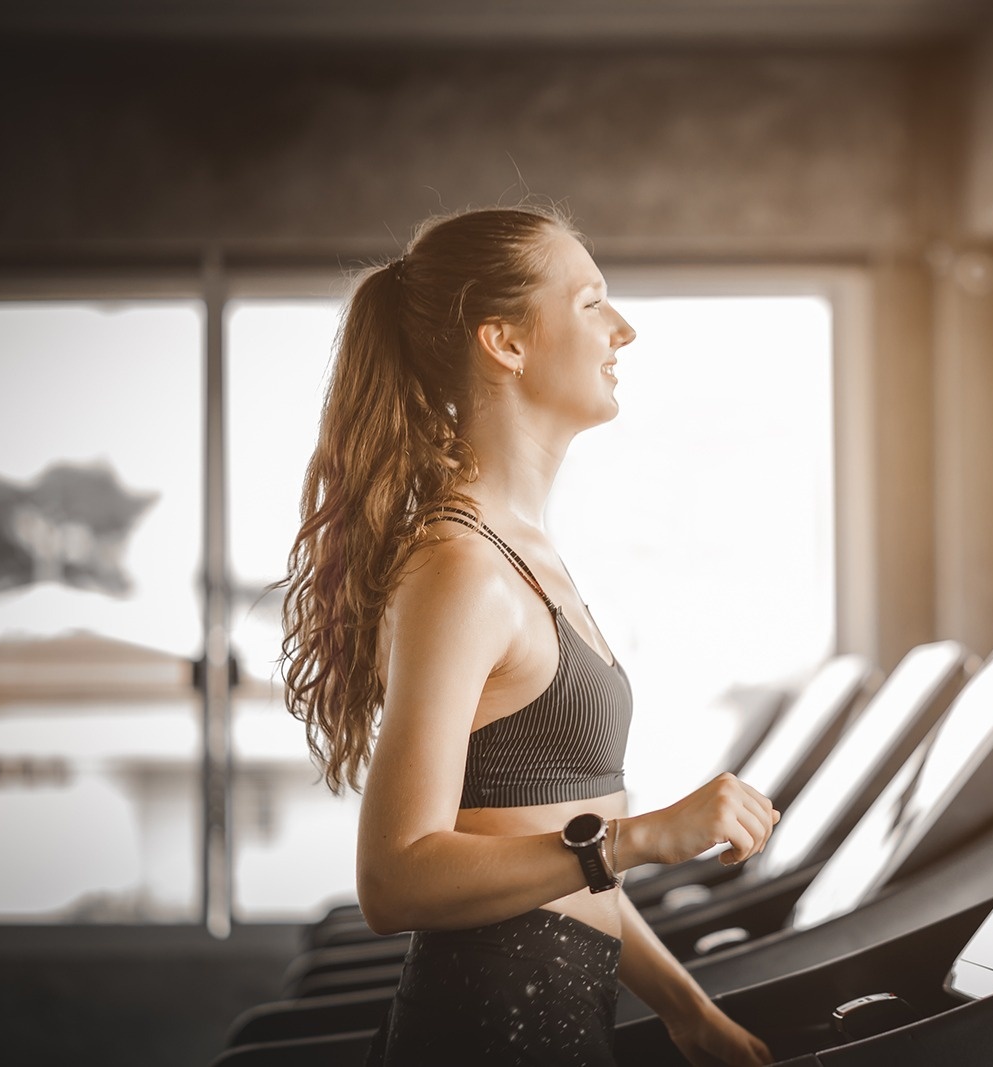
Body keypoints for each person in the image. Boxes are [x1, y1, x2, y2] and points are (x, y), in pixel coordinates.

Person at [280, 203, 779, 1066]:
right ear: (505, 342)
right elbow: (393, 877)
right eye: (591, 303)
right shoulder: (461, 566)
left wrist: (689, 1011)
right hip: (485, 1030)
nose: (624, 329)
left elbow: (550, 844)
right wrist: (645, 835)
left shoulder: (525, 551)